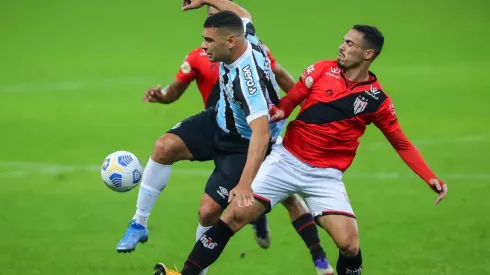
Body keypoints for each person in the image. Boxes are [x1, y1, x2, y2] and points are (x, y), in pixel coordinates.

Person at [154, 22, 448, 275]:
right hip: (286, 160)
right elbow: (292, 98)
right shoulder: (321, 70)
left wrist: (429, 176)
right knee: (232, 216)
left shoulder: (377, 100)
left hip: (325, 177)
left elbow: (400, 141)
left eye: (349, 43)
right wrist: (279, 111)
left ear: (367, 54)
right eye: (343, 41)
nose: (341, 46)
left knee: (349, 244)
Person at [119, 0, 333, 274]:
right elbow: (245, 13)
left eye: (209, 41)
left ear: (230, 41)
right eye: (203, 39)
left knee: (208, 212)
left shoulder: (248, 83)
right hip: (218, 119)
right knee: (164, 146)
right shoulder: (247, 36)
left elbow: (261, 133)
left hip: (241, 146)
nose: (204, 46)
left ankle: (199, 271)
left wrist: (244, 185)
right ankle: (139, 223)